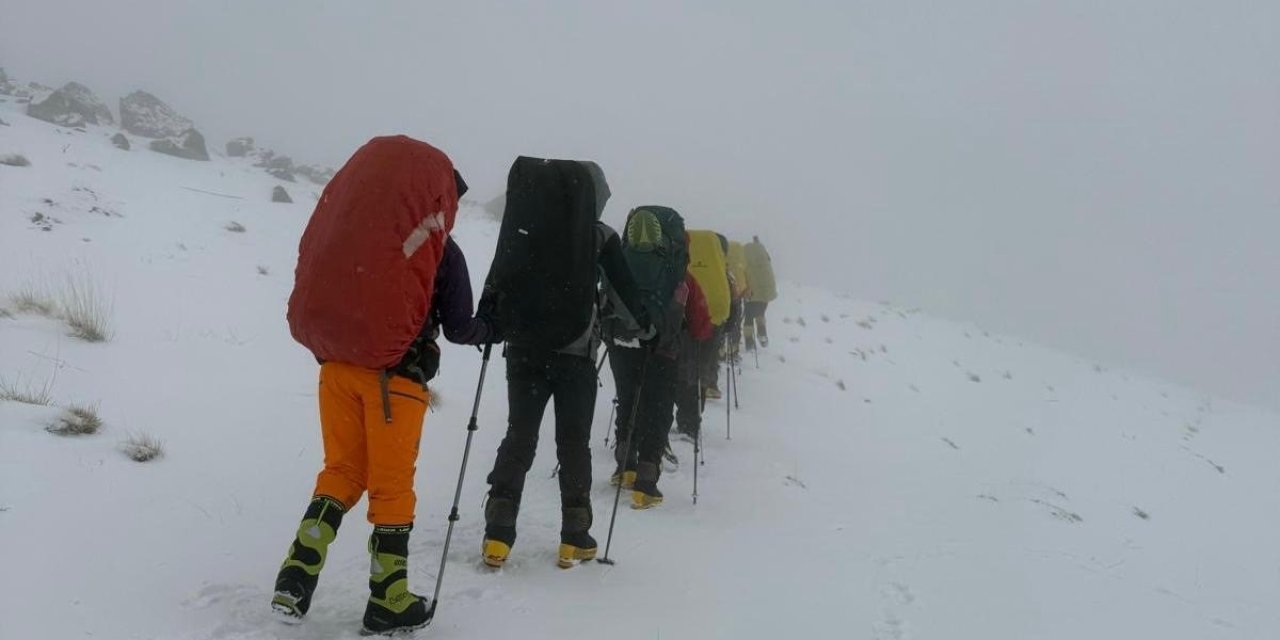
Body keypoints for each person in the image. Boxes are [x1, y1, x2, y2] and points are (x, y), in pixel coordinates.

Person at [274, 136, 495, 636]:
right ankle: (389, 599)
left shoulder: (354, 235)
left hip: (336, 367)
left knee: (342, 471)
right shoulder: (443, 252)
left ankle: (296, 574)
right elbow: (460, 328)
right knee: (392, 487)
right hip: (396, 380)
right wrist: (491, 329)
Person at [480, 160, 650, 570]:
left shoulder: (525, 227)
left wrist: (489, 321)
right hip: (575, 357)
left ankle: (498, 533)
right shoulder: (600, 236)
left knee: (519, 435)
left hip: (522, 351)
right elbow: (625, 291)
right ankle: (574, 537)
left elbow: (499, 274)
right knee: (573, 443)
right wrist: (648, 330)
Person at [609, 224, 710, 510]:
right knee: (658, 407)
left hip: (623, 345)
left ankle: (625, 465)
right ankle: (646, 481)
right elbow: (701, 324)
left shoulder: (624, 267)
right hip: (663, 352)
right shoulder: (681, 277)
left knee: (627, 401)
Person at [673, 273, 714, 442]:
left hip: (651, 332)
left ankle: (631, 434)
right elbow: (699, 314)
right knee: (691, 375)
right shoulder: (686, 275)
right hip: (686, 332)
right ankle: (689, 423)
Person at [743, 235, 778, 350]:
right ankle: (762, 331)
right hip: (765, 291)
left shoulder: (744, 254)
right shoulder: (763, 255)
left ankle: (749, 341)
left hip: (751, 291)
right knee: (760, 311)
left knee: (748, 316)